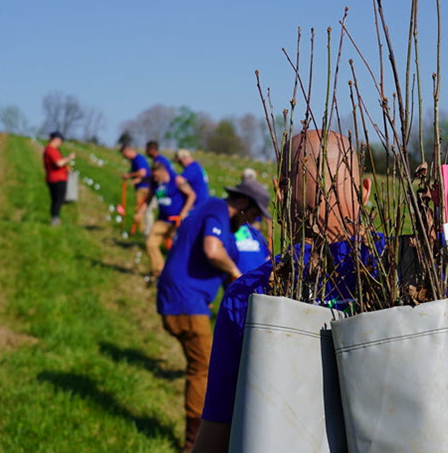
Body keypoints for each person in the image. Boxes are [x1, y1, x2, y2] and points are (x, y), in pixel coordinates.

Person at [193, 130, 379, 453]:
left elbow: (216, 435)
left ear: (279, 193)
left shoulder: (249, 295)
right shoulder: (438, 265)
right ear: (365, 191)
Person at [156, 179, 270, 452]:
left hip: (190, 300)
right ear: (242, 203)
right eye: (253, 215)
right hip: (185, 300)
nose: (251, 222)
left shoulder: (224, 224)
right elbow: (212, 250)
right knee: (205, 370)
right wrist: (236, 274)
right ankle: (193, 442)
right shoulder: (218, 208)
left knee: (203, 366)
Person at [141, 161, 198, 278]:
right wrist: (139, 213)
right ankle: (159, 272)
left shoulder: (177, 181)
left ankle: (176, 275)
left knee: (176, 251)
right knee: (150, 244)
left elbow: (192, 195)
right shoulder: (155, 183)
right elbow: (149, 198)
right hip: (162, 220)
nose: (155, 178)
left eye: (156, 175)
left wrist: (183, 213)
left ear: (163, 172)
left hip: (176, 222)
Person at [42, 131, 75, 226]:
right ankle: (55, 219)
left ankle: (55, 218)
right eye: (60, 141)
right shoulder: (51, 150)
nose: (60, 143)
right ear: (56, 139)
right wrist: (69, 158)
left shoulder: (51, 150)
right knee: (58, 199)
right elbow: (59, 163)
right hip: (57, 179)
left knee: (56, 199)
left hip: (55, 178)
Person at [120, 144, 152, 223]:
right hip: (142, 186)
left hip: (143, 187)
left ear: (128, 151)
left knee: (140, 209)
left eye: (125, 155)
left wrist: (128, 175)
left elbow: (142, 173)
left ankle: (141, 230)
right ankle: (142, 229)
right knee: (141, 209)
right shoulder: (135, 160)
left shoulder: (138, 159)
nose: (125, 157)